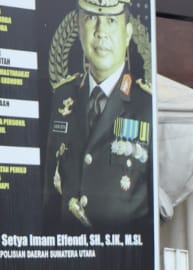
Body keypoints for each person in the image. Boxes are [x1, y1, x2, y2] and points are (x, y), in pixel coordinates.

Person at [45, 0, 153, 231]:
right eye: (91, 18)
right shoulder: (62, 97)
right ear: (78, 26)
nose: (101, 32)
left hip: (124, 257)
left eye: (111, 21)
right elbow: (49, 194)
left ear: (128, 34)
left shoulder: (147, 104)